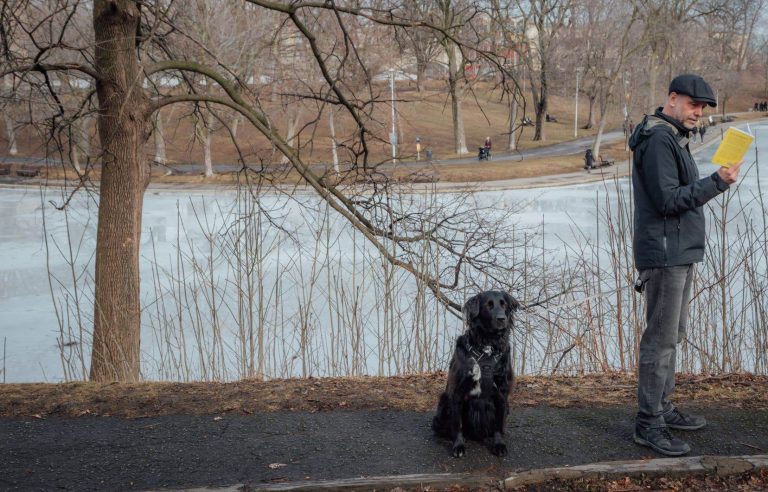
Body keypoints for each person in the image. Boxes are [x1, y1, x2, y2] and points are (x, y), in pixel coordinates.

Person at [628, 74, 742, 457]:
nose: (698, 113)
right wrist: (718, 182)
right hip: (664, 254)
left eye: (703, 108)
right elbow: (668, 200)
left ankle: (661, 407)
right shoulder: (659, 139)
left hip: (678, 251)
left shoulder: (670, 136)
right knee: (659, 341)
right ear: (672, 98)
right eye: (694, 105)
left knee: (671, 336)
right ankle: (649, 423)